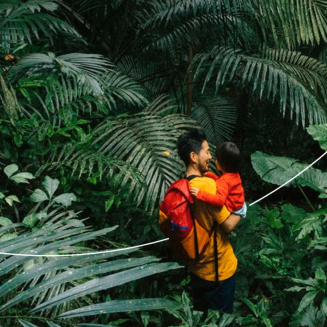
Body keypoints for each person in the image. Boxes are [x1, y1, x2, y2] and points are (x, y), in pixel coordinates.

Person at [176, 129, 243, 316]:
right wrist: (242, 209)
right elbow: (228, 225)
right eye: (206, 152)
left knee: (200, 317)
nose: (210, 156)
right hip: (219, 271)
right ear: (193, 156)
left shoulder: (184, 183)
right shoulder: (207, 187)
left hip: (197, 269)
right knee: (220, 320)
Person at [190, 141, 246, 218]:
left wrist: (200, 194)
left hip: (235, 209)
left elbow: (219, 201)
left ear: (223, 164)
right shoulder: (234, 175)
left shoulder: (224, 181)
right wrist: (209, 175)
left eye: (217, 159)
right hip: (240, 204)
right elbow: (223, 183)